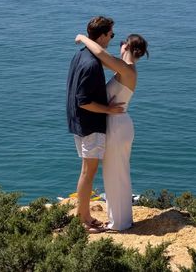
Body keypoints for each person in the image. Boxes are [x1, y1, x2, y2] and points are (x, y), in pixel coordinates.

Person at [75, 33, 149, 231]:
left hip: (117, 126)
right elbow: (100, 59)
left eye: (122, 42)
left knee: (115, 174)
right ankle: (121, 220)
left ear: (126, 47)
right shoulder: (123, 69)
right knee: (117, 174)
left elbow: (100, 52)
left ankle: (119, 224)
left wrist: (83, 37)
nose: (120, 44)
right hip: (118, 124)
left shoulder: (126, 69)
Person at [67, 16, 125, 233]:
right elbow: (84, 101)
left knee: (85, 171)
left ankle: (84, 215)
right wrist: (109, 110)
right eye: (111, 34)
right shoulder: (92, 65)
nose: (112, 37)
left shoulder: (81, 55)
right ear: (102, 36)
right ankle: (82, 220)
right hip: (90, 125)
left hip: (78, 123)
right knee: (87, 173)